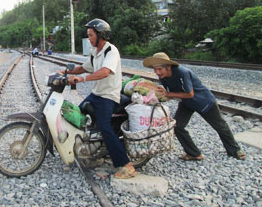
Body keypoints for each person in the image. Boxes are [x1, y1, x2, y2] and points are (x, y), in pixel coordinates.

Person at [64, 18, 137, 179]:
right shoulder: (95, 52)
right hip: (96, 94)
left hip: (109, 96)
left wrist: (82, 80)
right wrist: (64, 73)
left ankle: (127, 165)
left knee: (105, 127)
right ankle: (92, 151)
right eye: (88, 35)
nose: (89, 39)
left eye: (91, 35)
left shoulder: (111, 51)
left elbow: (105, 71)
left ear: (101, 35)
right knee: (79, 113)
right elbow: (83, 68)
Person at [143, 52, 246, 161]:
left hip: (204, 101)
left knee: (220, 126)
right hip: (187, 103)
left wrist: (168, 94)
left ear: (168, 67)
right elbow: (172, 93)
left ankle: (235, 150)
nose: (157, 72)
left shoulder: (182, 72)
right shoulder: (163, 77)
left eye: (159, 69)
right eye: (155, 69)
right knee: (177, 126)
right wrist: (155, 96)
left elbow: (189, 93)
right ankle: (194, 153)